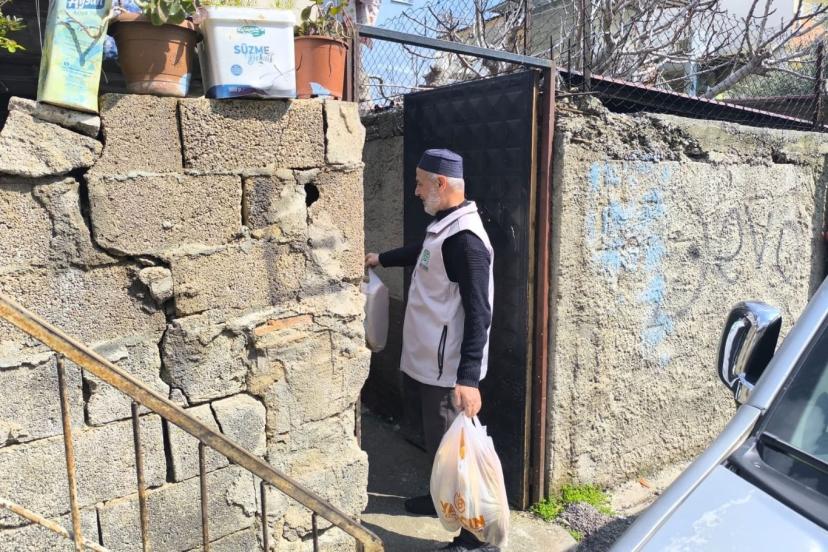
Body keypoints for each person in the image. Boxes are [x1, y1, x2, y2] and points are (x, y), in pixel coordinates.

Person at [365, 149, 498, 552]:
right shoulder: (444, 225)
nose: (416, 191)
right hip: (427, 360)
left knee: (456, 455)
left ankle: (473, 538)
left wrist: (468, 378)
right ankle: (443, 499)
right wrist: (381, 259)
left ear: (441, 183)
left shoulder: (466, 241)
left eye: (421, 183)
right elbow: (423, 253)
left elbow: (480, 313)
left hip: (448, 372)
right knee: (439, 445)